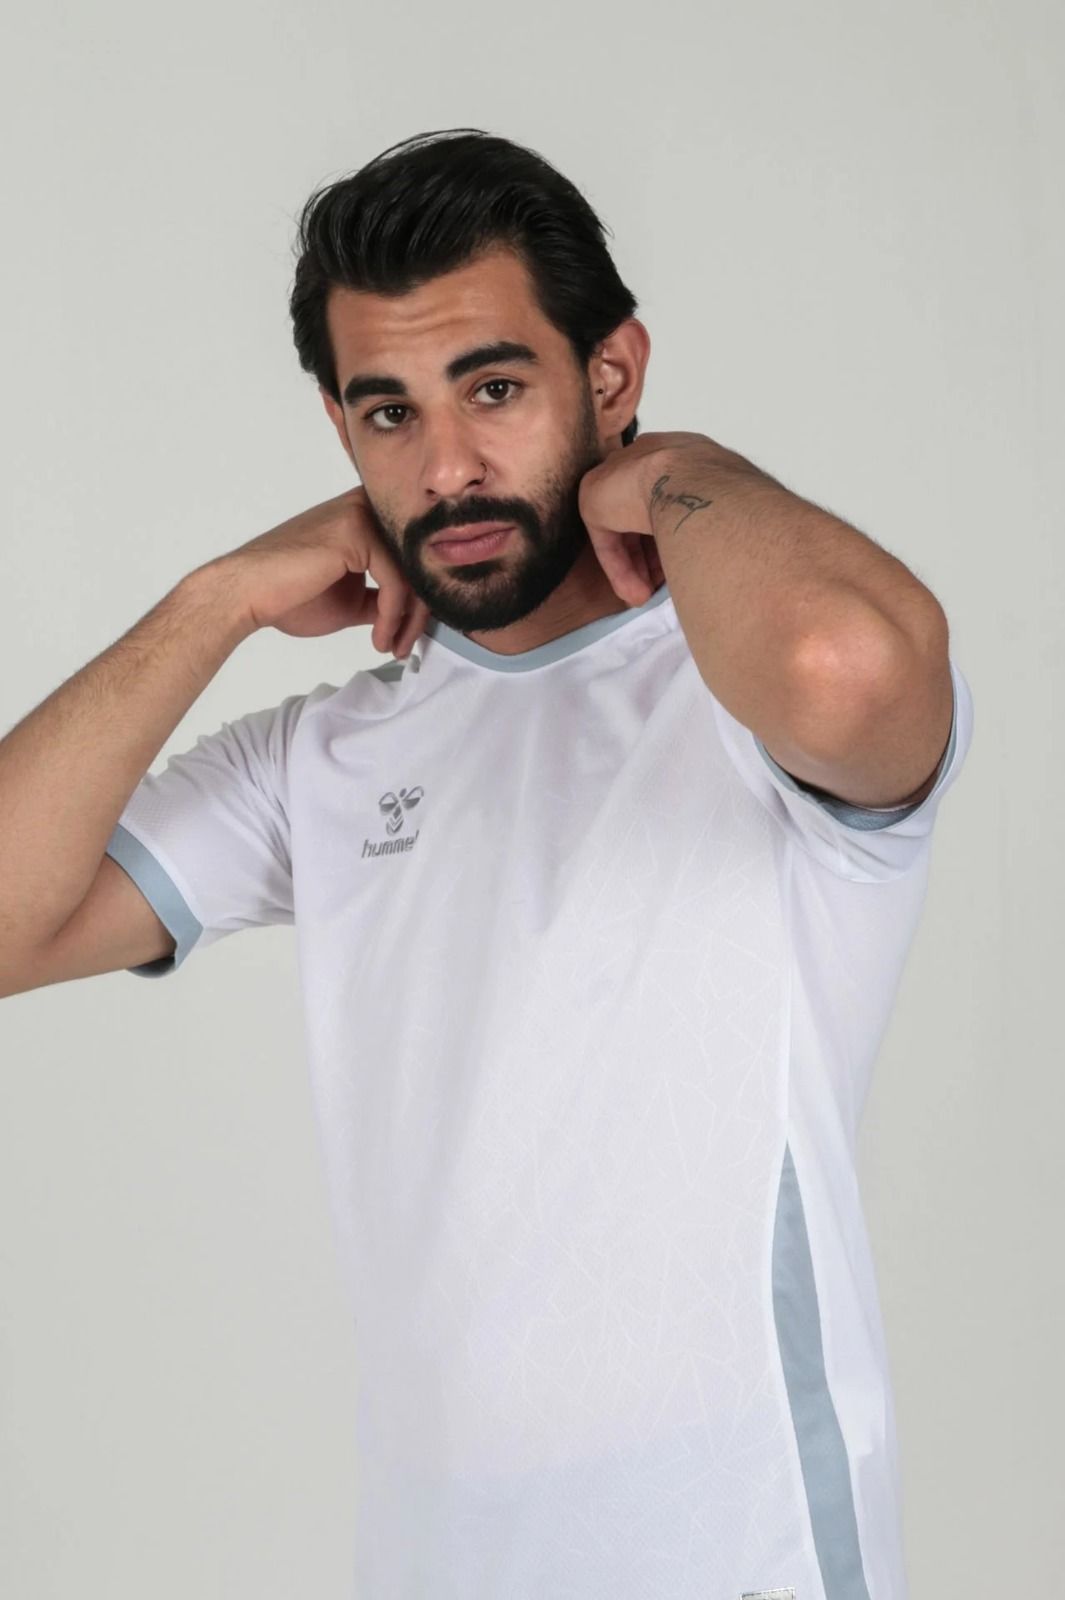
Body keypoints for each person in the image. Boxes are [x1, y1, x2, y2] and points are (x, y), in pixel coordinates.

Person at [0, 128, 973, 1600]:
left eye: (496, 388)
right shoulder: (326, 759)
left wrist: (680, 471)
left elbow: (849, 663)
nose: (445, 467)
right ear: (340, 434)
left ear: (611, 372)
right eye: (388, 413)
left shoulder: (739, 702)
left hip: (737, 1557)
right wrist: (216, 602)